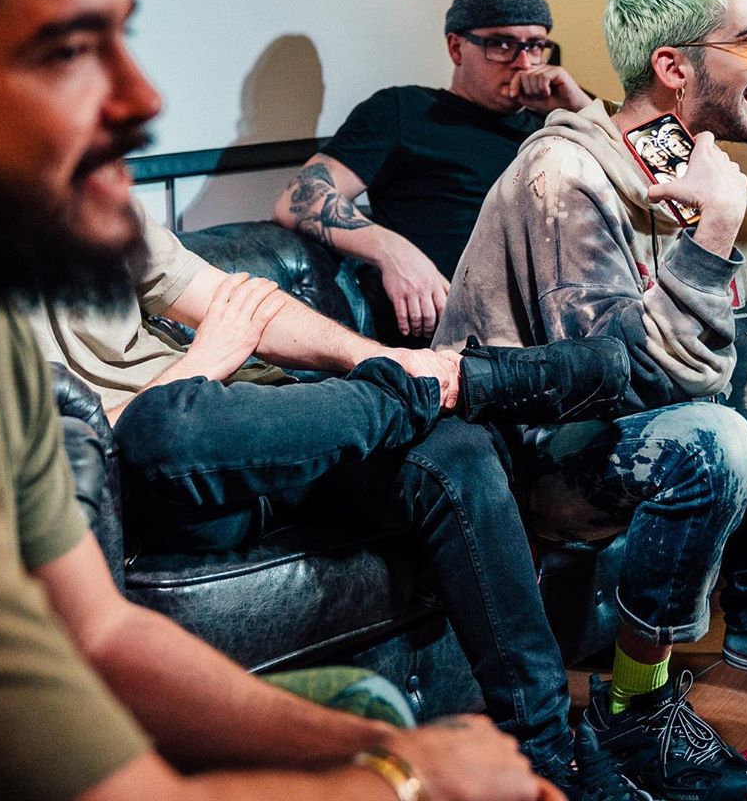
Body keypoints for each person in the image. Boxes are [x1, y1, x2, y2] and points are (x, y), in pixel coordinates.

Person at [0, 0, 579, 801]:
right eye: (66, 50)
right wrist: (406, 778)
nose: (144, 99)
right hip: (166, 440)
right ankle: (461, 384)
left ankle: (547, 728)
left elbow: (102, 634)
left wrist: (390, 750)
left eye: (124, 35)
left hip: (235, 417)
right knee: (172, 428)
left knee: (443, 464)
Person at [435, 0, 747, 801]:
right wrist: (713, 234)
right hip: (541, 454)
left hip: (683, 419)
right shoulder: (564, 175)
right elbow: (614, 382)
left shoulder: (678, 158)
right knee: (715, 439)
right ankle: (639, 706)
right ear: (673, 66)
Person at [32, 188, 635, 797]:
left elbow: (237, 303)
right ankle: (464, 383)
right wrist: (203, 361)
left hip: (268, 424)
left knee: (455, 450)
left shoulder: (90, 204)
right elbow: (67, 449)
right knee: (157, 429)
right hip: (169, 474)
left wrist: (388, 358)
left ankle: (545, 754)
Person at [274, 0, 591, 341]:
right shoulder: (404, 112)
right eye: (502, 45)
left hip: (569, 326)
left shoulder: (561, 122)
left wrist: (579, 108)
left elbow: (640, 193)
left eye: (535, 45)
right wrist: (391, 250)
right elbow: (297, 199)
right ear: (456, 47)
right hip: (468, 342)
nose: (524, 63)